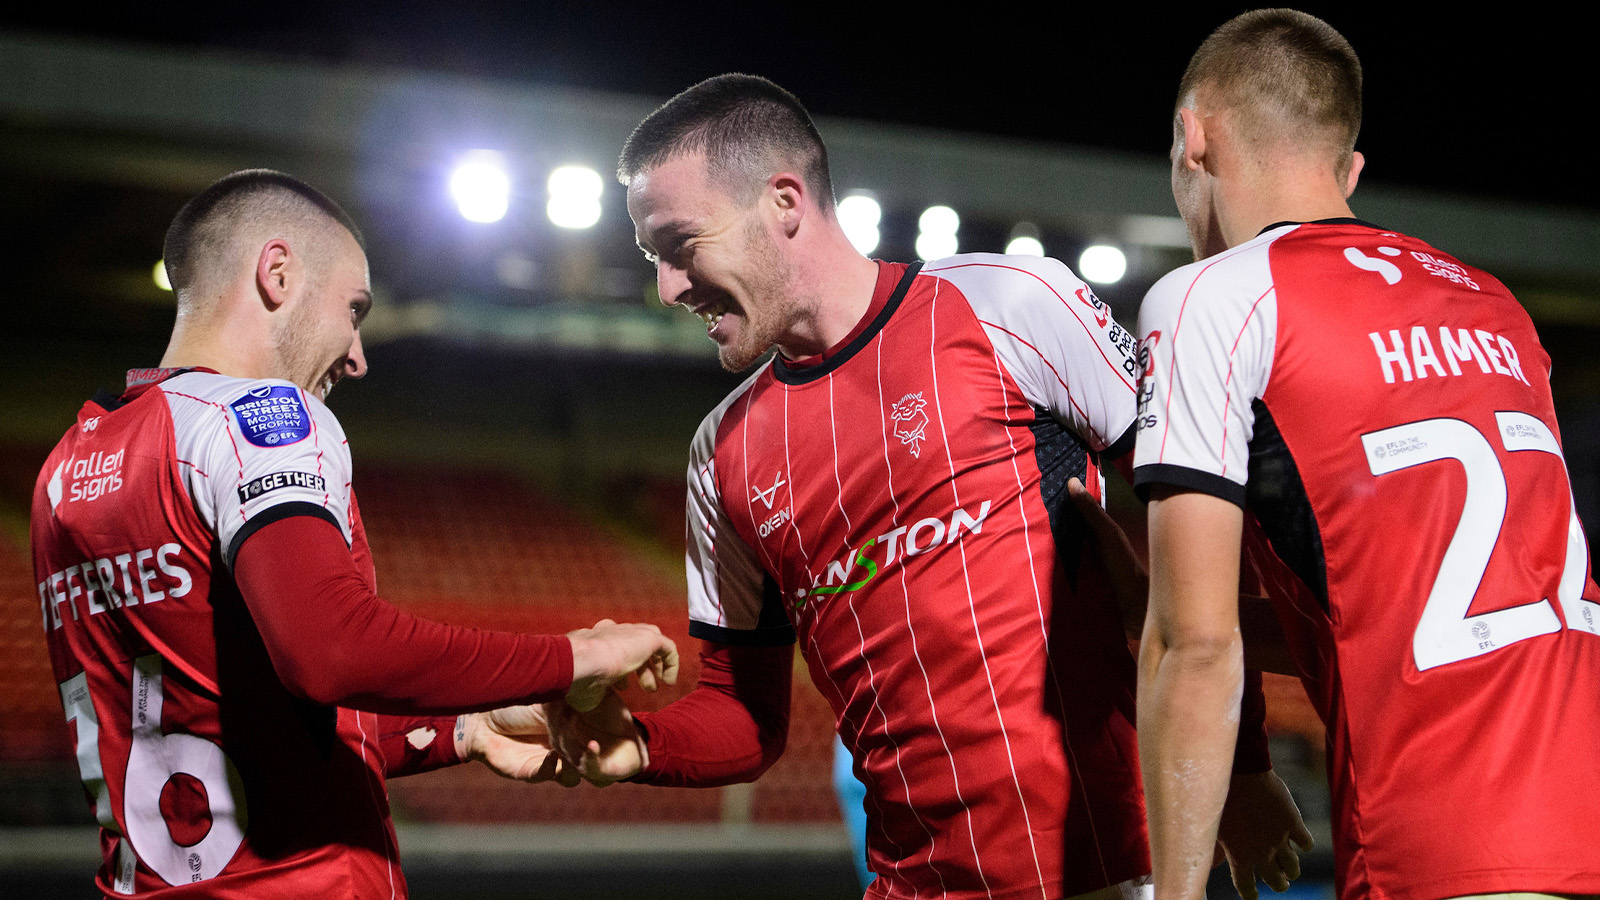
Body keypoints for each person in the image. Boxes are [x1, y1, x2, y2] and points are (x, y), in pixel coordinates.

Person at [544, 73, 1307, 900]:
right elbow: (745, 716)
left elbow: (1209, 515)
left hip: (1114, 874)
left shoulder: (1009, 303)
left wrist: (1244, 764)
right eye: (653, 259)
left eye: (680, 245)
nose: (667, 287)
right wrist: (640, 745)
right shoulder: (719, 452)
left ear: (785, 202)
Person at [30, 169, 679, 898]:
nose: (359, 356)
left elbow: (237, 723)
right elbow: (332, 652)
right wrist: (577, 655)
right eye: (355, 309)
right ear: (278, 273)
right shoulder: (258, 417)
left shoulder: (69, 464)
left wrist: (461, 730)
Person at [1132, 10, 1600, 900]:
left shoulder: (1213, 298)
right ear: (1347, 170)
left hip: (1439, 851)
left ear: (1193, 139)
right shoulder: (1497, 307)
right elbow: (1407, 612)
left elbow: (1194, 645)